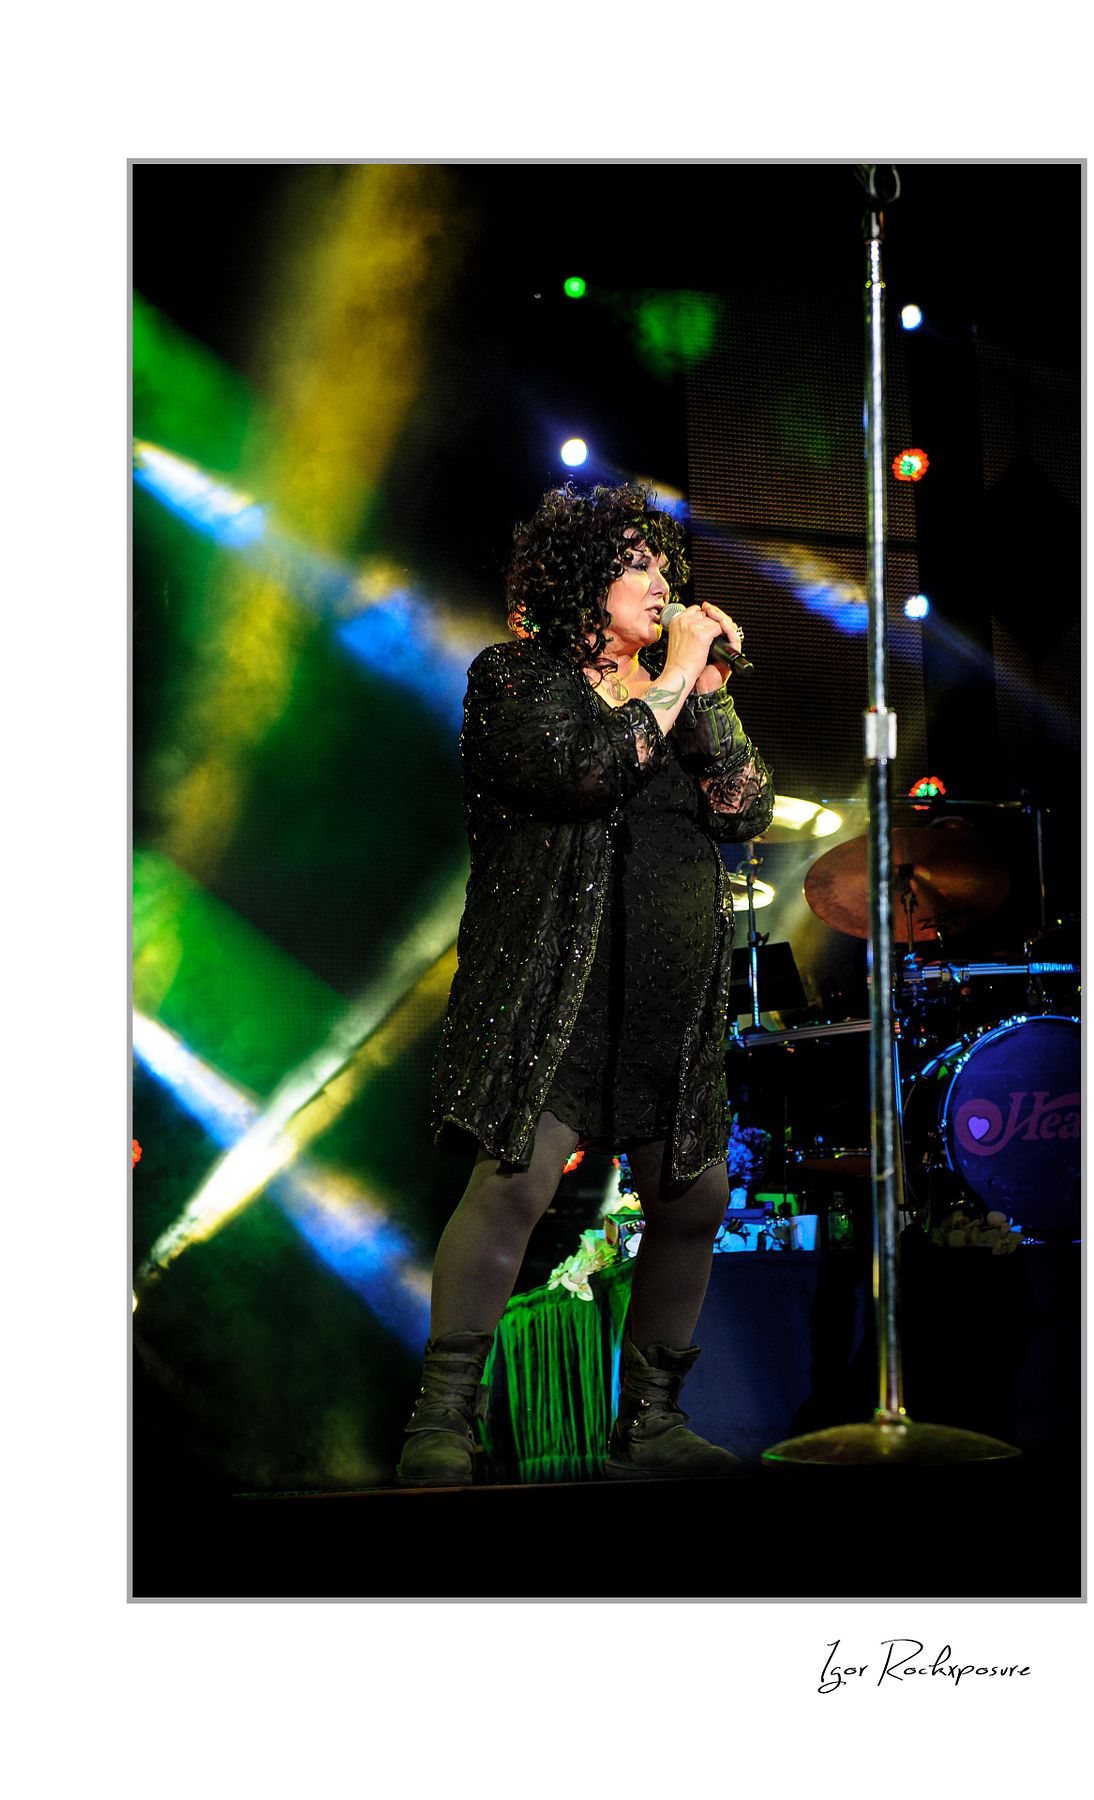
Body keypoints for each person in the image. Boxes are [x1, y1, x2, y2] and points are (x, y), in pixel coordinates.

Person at [399, 481, 774, 1486]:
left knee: (694, 1197)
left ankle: (650, 1422)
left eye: (665, 566)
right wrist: (675, 676)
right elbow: (582, 771)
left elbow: (746, 808)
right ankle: (444, 1418)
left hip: (667, 1002)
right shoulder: (516, 680)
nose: (662, 583)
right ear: (579, 582)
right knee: (514, 1184)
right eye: (637, 565)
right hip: (554, 991)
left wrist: (708, 691)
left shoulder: (680, 697)